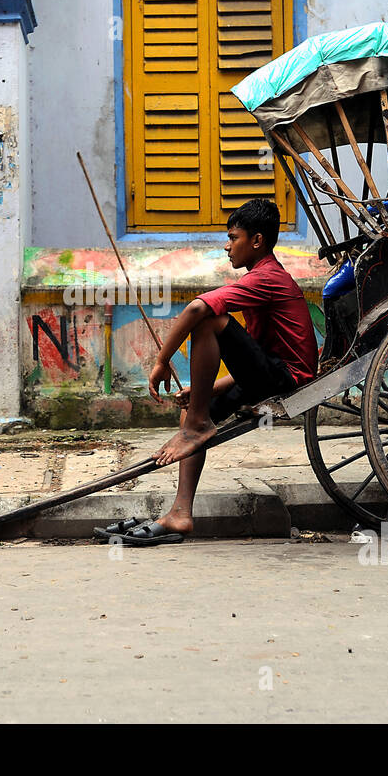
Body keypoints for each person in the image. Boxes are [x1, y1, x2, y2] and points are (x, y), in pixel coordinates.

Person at [99, 198, 318, 546]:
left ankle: (198, 425)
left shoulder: (269, 278)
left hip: (287, 380)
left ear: (257, 241)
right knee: (192, 407)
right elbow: (257, 362)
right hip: (272, 375)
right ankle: (180, 513)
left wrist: (161, 360)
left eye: (233, 238)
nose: (227, 246)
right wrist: (207, 393)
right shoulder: (262, 279)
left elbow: (197, 307)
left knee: (211, 320)